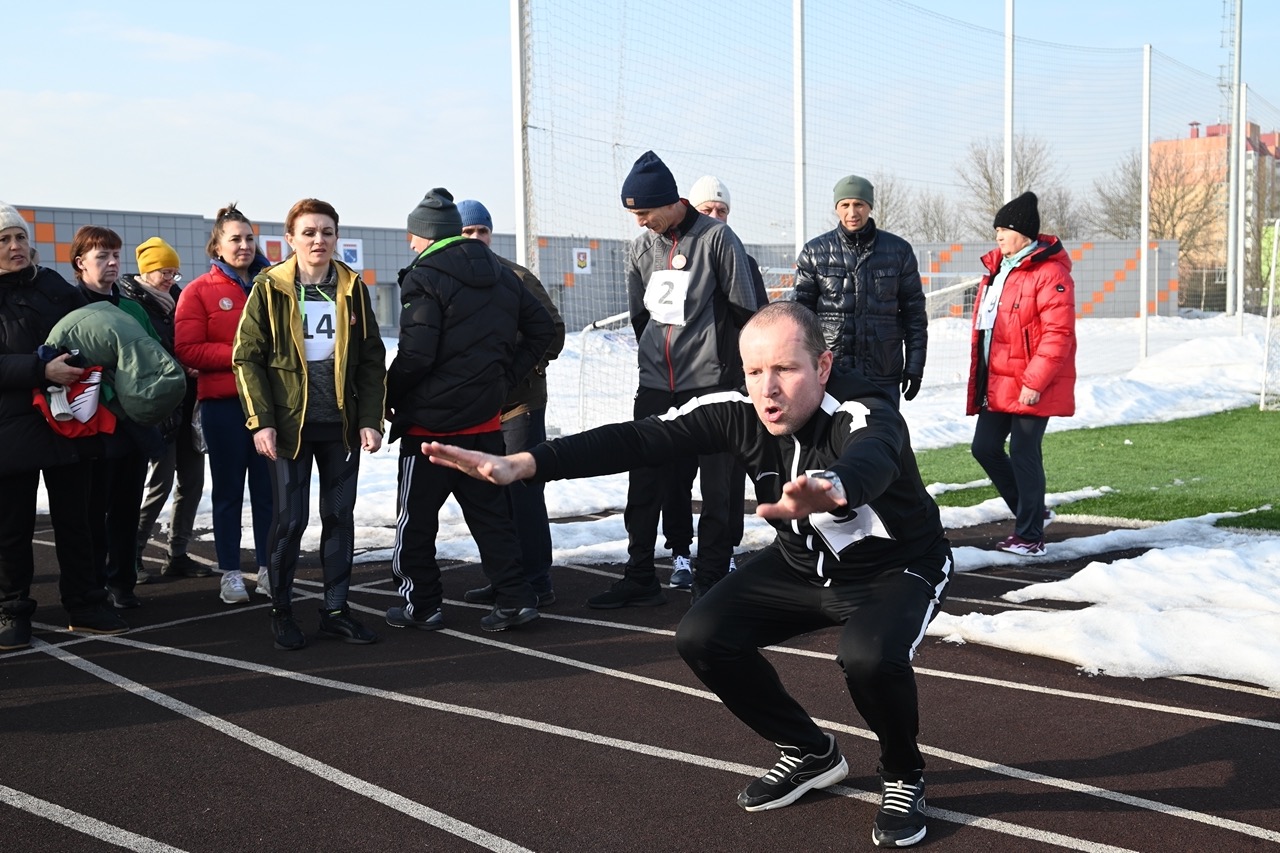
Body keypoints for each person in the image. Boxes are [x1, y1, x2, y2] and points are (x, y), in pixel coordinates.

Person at [425, 302, 950, 848]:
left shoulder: (863, 413)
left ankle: (903, 773)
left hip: (896, 570)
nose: (767, 389)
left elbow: (875, 453)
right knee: (702, 635)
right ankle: (811, 751)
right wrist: (526, 464)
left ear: (822, 366)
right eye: (754, 371)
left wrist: (838, 486)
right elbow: (638, 438)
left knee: (867, 655)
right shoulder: (739, 410)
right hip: (800, 565)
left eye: (786, 370)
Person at [384, 188, 555, 633]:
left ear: (424, 235)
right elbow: (542, 329)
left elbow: (416, 354)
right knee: (493, 518)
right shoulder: (502, 273)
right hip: (484, 421)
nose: (412, 245)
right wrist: (502, 379)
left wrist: (388, 393)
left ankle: (420, 605)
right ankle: (515, 600)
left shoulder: (423, 275)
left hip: (431, 429)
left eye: (413, 237)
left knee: (416, 521)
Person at [233, 198, 387, 650]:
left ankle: (336, 610)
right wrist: (261, 421)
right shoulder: (269, 286)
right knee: (291, 519)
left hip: (339, 425)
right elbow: (246, 357)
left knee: (339, 516)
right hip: (287, 428)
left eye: (327, 232)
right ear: (291, 240)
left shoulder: (353, 287)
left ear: (337, 237)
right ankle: (281, 611)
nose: (318, 240)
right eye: (309, 232)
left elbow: (371, 358)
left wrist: (370, 418)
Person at [608, 151, 758, 607]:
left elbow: (745, 313)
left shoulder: (718, 240)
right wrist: (655, 360)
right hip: (656, 385)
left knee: (716, 486)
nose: (639, 223)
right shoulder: (640, 249)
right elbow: (641, 318)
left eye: (644, 213)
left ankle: (710, 579)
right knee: (645, 480)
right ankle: (639, 573)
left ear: (669, 202)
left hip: (712, 384)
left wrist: (735, 374)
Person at [0, 202, 128, 650]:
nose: (16, 246)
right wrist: (40, 371)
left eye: (19, 237)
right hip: (11, 427)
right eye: (4, 240)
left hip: (68, 421)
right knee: (10, 528)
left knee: (78, 520)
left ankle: (86, 603)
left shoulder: (52, 284)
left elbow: (88, 330)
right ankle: (10, 611)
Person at [454, 199, 566, 609]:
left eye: (481, 231)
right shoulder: (453, 279)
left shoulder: (516, 275)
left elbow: (553, 330)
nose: (475, 238)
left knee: (522, 490)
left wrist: (519, 371)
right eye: (467, 232)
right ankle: (505, 579)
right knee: (490, 496)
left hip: (520, 404)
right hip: (479, 408)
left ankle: (537, 579)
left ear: (491, 234)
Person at [967, 191, 1077, 557]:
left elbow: (1057, 334)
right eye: (996, 229)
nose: (998, 236)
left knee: (1025, 453)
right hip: (998, 380)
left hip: (1033, 382)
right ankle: (1033, 511)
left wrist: (1034, 382)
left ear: (1025, 234)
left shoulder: (1050, 273)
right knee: (984, 447)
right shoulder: (998, 270)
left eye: (1005, 229)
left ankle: (1030, 537)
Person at [174, 204, 274, 605]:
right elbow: (187, 348)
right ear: (216, 246)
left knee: (269, 493)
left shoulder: (274, 284)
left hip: (269, 407)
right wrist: (242, 353)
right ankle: (230, 572)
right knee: (229, 492)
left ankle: (269, 568)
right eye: (235, 239)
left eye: (249, 238)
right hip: (224, 406)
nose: (244, 246)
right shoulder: (198, 291)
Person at [68, 226, 167, 609]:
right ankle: (92, 585)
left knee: (125, 508)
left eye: (115, 257)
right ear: (80, 263)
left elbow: (155, 356)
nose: (111, 264)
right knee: (91, 511)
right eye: (101, 257)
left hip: (132, 427)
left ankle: (122, 584)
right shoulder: (68, 307)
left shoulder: (133, 309)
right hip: (88, 427)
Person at [120, 237, 210, 584]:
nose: (170, 277)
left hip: (189, 405)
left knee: (193, 482)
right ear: (146, 270)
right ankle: (131, 554)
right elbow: (140, 353)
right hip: (159, 409)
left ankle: (177, 554)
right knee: (160, 483)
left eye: (173, 271)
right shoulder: (131, 303)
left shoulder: (179, 298)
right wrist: (180, 364)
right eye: (163, 271)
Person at [794, 174, 928, 406]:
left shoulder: (899, 251)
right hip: (831, 370)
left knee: (882, 437)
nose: (852, 212)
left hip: (883, 371)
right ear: (837, 208)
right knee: (830, 438)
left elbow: (914, 315)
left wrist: (915, 367)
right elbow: (800, 317)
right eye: (845, 205)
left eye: (859, 204)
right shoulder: (814, 252)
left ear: (870, 207)